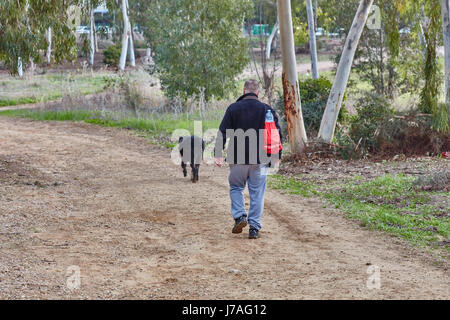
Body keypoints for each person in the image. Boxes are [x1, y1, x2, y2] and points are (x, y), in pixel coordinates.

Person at [214, 79, 283, 239]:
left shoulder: (233, 108)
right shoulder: (267, 110)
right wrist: (276, 156)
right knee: (257, 193)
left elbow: (222, 131)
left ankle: (239, 216)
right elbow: (276, 133)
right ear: (258, 92)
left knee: (236, 188)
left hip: (237, 157)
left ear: (244, 91)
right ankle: (254, 229)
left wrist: (218, 153)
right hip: (261, 159)